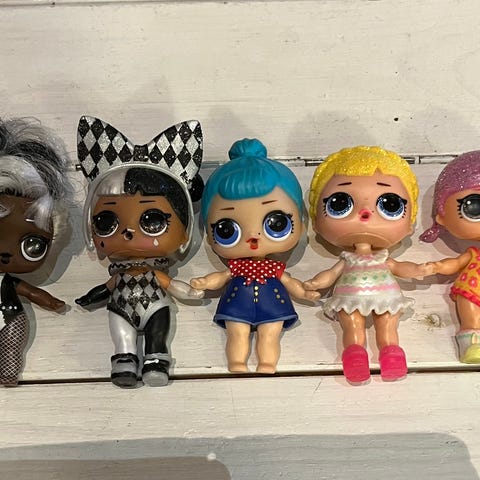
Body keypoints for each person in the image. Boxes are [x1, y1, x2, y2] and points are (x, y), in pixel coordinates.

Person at [75, 116, 204, 388]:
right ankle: (124, 362)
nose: (129, 232)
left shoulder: (155, 273)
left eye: (152, 221)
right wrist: (90, 297)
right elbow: (106, 288)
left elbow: (171, 285)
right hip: (121, 306)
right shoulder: (119, 275)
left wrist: (189, 292)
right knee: (122, 335)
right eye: (106, 222)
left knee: (158, 335)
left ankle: (156, 361)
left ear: (184, 230)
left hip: (155, 306)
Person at [191, 138, 319, 374]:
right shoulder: (236, 268)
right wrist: (205, 282)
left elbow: (290, 282)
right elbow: (221, 277)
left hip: (272, 304)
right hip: (237, 303)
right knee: (237, 334)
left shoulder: (273, 268)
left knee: (270, 335)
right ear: (208, 232)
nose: (253, 236)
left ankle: (267, 364)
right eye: (226, 229)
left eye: (276, 223)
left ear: (301, 224)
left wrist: (304, 292)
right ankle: (237, 363)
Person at [304, 146, 430, 384]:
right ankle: (354, 355)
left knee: (387, 326)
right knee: (352, 327)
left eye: (390, 205)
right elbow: (331, 273)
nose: (364, 213)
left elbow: (398, 267)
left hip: (385, 297)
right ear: (317, 224)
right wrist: (318, 282)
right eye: (340, 203)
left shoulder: (383, 258)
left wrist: (418, 270)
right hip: (349, 298)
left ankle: (392, 354)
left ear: (409, 225)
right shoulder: (347, 259)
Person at [0, 117, 70, 386]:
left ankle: (8, 372)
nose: (5, 252)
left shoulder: (10, 283)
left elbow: (30, 292)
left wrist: (49, 301)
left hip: (11, 318)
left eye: (32, 245)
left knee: (12, 345)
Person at [420, 150, 480, 363]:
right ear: (442, 217)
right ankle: (472, 343)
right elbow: (455, 263)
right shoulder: (473, 254)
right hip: (472, 288)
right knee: (470, 314)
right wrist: (437, 266)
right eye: (474, 206)